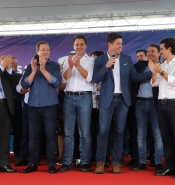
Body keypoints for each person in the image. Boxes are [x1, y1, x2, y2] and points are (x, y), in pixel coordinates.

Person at [93, 32, 152, 174]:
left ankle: (116, 162)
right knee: (103, 132)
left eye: (121, 43)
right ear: (110, 44)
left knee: (120, 132)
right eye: (118, 43)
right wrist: (106, 66)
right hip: (107, 99)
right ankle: (100, 162)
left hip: (123, 100)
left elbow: (135, 77)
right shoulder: (100, 60)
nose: (121, 46)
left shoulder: (126, 58)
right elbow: (96, 78)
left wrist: (153, 72)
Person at [149, 37, 175, 178]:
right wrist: (154, 72)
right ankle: (169, 167)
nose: (160, 52)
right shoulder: (163, 65)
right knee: (165, 137)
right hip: (162, 104)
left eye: (162, 49)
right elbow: (154, 84)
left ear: (169, 49)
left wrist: (160, 72)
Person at [21, 41, 61, 173]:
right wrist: (33, 71)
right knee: (33, 136)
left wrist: (43, 70)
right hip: (32, 106)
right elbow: (24, 85)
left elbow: (56, 83)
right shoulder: (30, 66)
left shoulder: (54, 65)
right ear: (37, 51)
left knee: (50, 135)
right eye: (42, 50)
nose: (45, 52)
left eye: (47, 50)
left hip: (49, 105)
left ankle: (51, 164)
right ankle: (32, 163)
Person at [58, 35, 94, 172]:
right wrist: (71, 65)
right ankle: (67, 162)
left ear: (85, 46)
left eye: (81, 44)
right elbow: (64, 79)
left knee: (84, 132)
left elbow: (89, 78)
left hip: (84, 97)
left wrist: (78, 66)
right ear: (73, 46)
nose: (79, 46)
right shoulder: (68, 60)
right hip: (68, 97)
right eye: (76, 44)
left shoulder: (91, 61)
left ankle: (85, 162)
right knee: (68, 133)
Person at [131, 45, 163, 172]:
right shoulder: (140, 66)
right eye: (148, 51)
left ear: (159, 53)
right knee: (140, 135)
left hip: (155, 104)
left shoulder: (163, 66)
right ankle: (142, 161)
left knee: (157, 135)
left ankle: (158, 162)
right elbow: (135, 78)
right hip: (140, 103)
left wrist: (155, 71)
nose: (150, 53)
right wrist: (151, 73)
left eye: (153, 51)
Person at [0, 55, 18, 173]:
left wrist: (8, 68)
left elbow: (15, 82)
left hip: (4, 105)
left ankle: (4, 163)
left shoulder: (5, 71)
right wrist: (2, 67)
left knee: (4, 136)